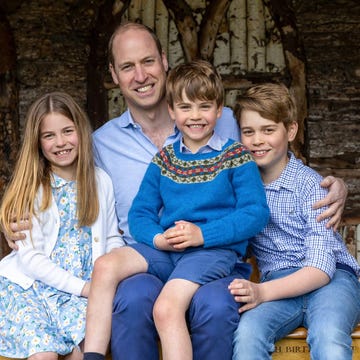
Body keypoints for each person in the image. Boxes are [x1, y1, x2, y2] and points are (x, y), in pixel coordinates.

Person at [3, 22, 348, 360]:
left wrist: (333, 184)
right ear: (114, 74)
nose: (140, 75)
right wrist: (14, 214)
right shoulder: (105, 145)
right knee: (131, 294)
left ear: (164, 62)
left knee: (211, 304)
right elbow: (63, 178)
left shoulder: (230, 130)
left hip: (214, 253)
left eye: (148, 62)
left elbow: (271, 155)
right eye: (127, 67)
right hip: (154, 252)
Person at [83, 59, 270, 360]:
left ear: (220, 110)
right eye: (185, 107)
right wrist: (158, 238)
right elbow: (140, 214)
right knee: (106, 266)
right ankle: (91, 356)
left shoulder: (235, 156)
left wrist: (202, 234)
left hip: (211, 251)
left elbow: (255, 213)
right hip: (168, 250)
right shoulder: (164, 160)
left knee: (166, 308)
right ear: (172, 111)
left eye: (204, 106)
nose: (195, 116)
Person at [229, 83, 360, 360]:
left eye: (268, 130)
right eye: (248, 131)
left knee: (329, 334)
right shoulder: (242, 189)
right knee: (248, 333)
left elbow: (321, 269)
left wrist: (261, 292)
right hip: (278, 285)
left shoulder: (312, 187)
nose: (257, 140)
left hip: (331, 282)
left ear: (290, 130)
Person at [0, 92, 124, 360]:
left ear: (80, 130)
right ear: (37, 142)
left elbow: (112, 236)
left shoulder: (100, 181)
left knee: (83, 352)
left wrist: (111, 270)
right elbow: (31, 258)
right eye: (49, 136)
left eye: (68, 131)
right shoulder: (33, 187)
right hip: (31, 287)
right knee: (44, 355)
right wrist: (84, 288)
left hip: (78, 293)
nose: (60, 142)